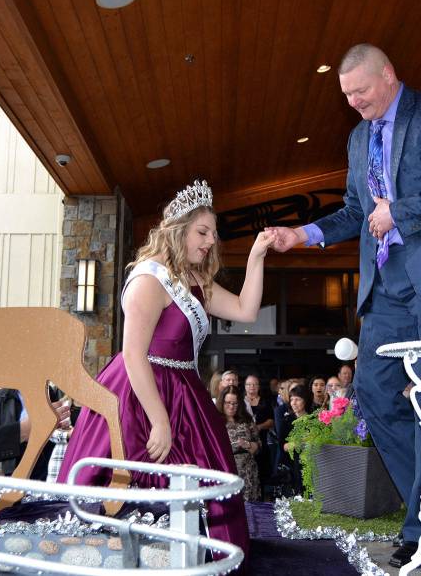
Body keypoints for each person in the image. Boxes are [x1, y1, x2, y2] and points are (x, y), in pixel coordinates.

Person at [267, 44, 421, 568]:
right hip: (389, 283)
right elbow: (357, 210)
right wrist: (301, 234)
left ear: (389, 75)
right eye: (346, 94)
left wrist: (398, 212)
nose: (353, 101)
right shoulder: (359, 138)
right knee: (374, 393)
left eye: (361, 90)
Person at [55, 180, 274, 556]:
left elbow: (245, 310)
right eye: (202, 232)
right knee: (134, 481)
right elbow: (133, 354)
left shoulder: (198, 281)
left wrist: (256, 256)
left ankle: (199, 555)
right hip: (140, 393)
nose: (209, 242)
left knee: (203, 484)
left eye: (213, 234)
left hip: (186, 390)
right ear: (178, 230)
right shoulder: (149, 278)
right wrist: (159, 420)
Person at [218, 386, 261, 502]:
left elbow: (259, 445)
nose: (231, 406)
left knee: (249, 510)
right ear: (222, 402)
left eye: (235, 403)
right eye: (227, 403)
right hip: (224, 470)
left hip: (247, 471)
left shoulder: (247, 420)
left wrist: (248, 445)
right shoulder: (215, 421)